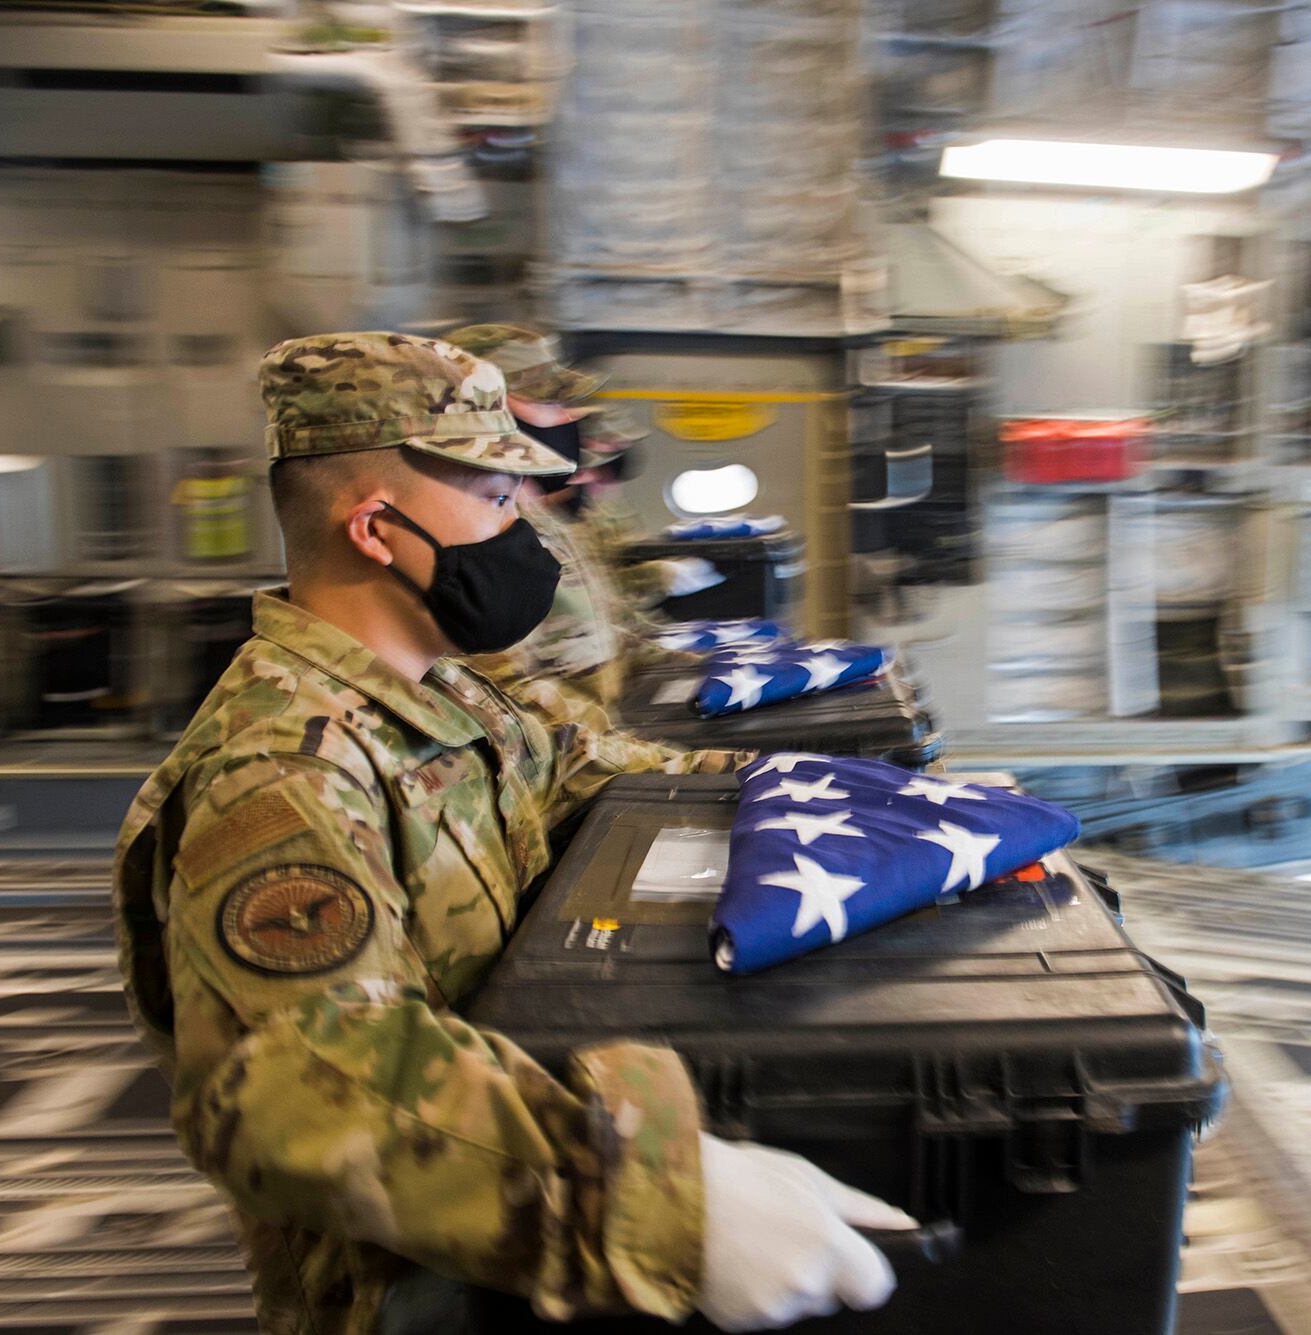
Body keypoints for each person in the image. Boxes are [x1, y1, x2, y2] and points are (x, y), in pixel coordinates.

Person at [112, 331, 912, 1335]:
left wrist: (850, 795)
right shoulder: (284, 770)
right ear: (376, 528)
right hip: (415, 1283)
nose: (522, 526)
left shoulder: (448, 695)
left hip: (507, 1245)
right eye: (494, 497)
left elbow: (588, 772)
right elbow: (306, 1084)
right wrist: (654, 1200)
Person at [440, 324, 721, 712]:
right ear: (486, 411)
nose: (565, 419)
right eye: (547, 403)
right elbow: (504, 691)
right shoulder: (474, 533)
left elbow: (595, 632)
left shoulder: (535, 517)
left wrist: (703, 665)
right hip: (569, 751)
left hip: (595, 732)